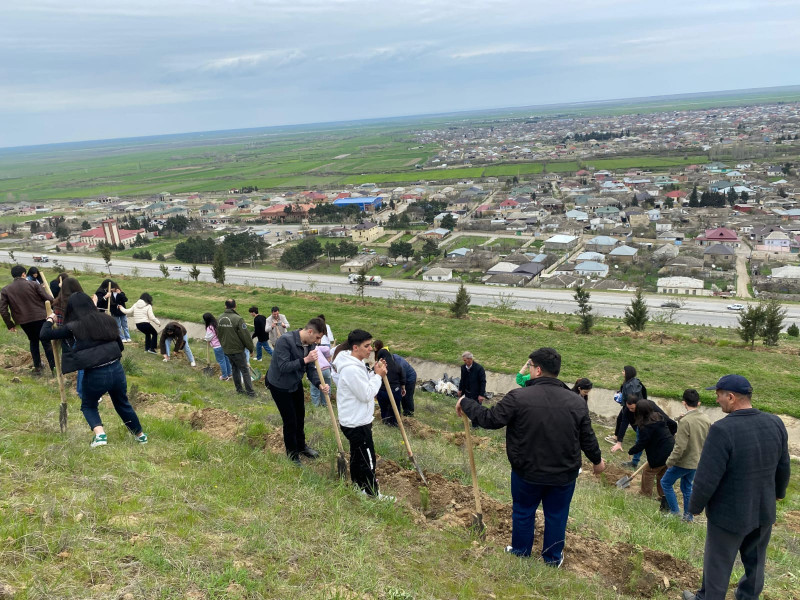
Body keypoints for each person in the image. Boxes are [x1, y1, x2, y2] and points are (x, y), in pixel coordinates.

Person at [457, 347, 605, 566]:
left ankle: (520, 551)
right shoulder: (576, 402)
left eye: (530, 366)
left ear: (537, 370)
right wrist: (597, 461)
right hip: (563, 474)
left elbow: (490, 420)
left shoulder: (518, 396)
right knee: (556, 515)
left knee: (524, 511)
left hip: (527, 471)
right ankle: (552, 558)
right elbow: (587, 437)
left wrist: (465, 402)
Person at [682, 375, 790, 600]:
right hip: (763, 511)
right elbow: (783, 465)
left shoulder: (722, 430)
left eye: (719, 395)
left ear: (731, 397)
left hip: (729, 516)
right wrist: (779, 493)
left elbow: (707, 476)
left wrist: (694, 507)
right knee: (756, 563)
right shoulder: (775, 422)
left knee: (718, 566)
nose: (717, 400)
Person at [40, 292, 148, 447]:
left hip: (96, 372)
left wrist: (50, 319)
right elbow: (120, 345)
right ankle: (140, 435)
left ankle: (100, 435)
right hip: (117, 369)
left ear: (72, 309)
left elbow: (44, 334)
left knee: (88, 405)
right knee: (122, 403)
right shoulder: (107, 319)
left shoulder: (73, 327)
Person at [331, 329, 391, 499]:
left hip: (355, 419)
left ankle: (359, 488)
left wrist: (374, 372)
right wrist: (378, 377)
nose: (370, 348)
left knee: (358, 457)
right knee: (368, 460)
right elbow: (366, 394)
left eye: (370, 345)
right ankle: (373, 494)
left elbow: (362, 384)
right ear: (355, 348)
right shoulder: (351, 369)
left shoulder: (355, 365)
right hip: (357, 423)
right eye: (366, 346)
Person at [265, 317, 329, 464]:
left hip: (295, 383)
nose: (318, 341)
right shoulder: (285, 341)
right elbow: (284, 366)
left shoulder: (311, 344)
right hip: (280, 385)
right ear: (310, 331)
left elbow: (311, 368)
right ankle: (292, 455)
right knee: (290, 421)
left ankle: (301, 446)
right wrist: (305, 359)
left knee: (300, 417)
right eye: (318, 337)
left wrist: (319, 383)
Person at [661, 389, 711, 522]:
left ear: (684, 402)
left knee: (665, 482)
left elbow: (680, 446)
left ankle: (674, 511)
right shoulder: (706, 419)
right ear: (698, 403)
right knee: (686, 487)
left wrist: (670, 461)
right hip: (697, 460)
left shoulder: (685, 422)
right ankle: (688, 516)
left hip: (684, 461)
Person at [1, 265, 56, 374]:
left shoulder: (6, 290)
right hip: (40, 317)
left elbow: (2, 309)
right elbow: (48, 298)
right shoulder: (34, 284)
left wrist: (10, 324)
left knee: (33, 341)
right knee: (46, 342)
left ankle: (38, 367)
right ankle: (54, 368)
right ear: (23, 274)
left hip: (23, 321)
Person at [626, 399, 675, 508]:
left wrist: (631, 451)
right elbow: (673, 425)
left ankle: (645, 494)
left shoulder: (645, 426)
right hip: (670, 449)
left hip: (660, 453)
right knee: (662, 473)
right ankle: (663, 496)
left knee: (648, 471)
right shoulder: (658, 416)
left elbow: (642, 443)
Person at [611, 395, 676, 468]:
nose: (630, 410)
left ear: (638, 406)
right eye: (628, 408)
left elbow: (667, 419)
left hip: (651, 427)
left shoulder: (650, 406)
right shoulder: (627, 409)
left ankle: (656, 460)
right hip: (641, 426)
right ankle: (634, 462)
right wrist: (619, 442)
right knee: (640, 442)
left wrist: (670, 435)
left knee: (646, 444)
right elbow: (624, 424)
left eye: (632, 408)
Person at [611, 366, 650, 467]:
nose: (622, 372)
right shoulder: (635, 381)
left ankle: (635, 460)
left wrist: (627, 405)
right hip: (632, 407)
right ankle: (617, 437)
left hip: (634, 409)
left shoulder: (630, 386)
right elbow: (644, 392)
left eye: (623, 371)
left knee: (638, 431)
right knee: (622, 419)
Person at [217, 299, 255, 396]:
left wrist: (224, 345)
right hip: (237, 349)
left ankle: (239, 390)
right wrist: (251, 348)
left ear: (225, 306)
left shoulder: (219, 318)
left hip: (227, 349)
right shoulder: (238, 319)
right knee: (245, 370)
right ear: (235, 306)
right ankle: (250, 393)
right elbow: (245, 336)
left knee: (234, 369)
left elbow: (218, 334)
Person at [373, 339, 405, 426]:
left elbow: (373, 378)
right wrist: (403, 388)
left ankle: (386, 422)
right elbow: (402, 378)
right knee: (395, 408)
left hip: (382, 391)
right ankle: (395, 422)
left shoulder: (378, 367)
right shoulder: (397, 366)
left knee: (384, 408)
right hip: (395, 390)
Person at [459, 351, 486, 427]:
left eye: (465, 360)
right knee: (467, 408)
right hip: (467, 392)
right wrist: (460, 389)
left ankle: (476, 426)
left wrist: (481, 395)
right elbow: (462, 379)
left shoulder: (479, 368)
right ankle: (467, 424)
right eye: (463, 360)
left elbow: (483, 382)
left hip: (476, 393)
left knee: (476, 410)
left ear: (470, 359)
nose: (464, 362)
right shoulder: (463, 368)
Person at [203, 312, 232, 381]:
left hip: (217, 347)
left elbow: (208, 337)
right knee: (226, 359)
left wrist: (206, 338)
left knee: (221, 361)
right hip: (223, 344)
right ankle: (230, 374)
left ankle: (225, 376)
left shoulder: (210, 327)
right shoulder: (217, 324)